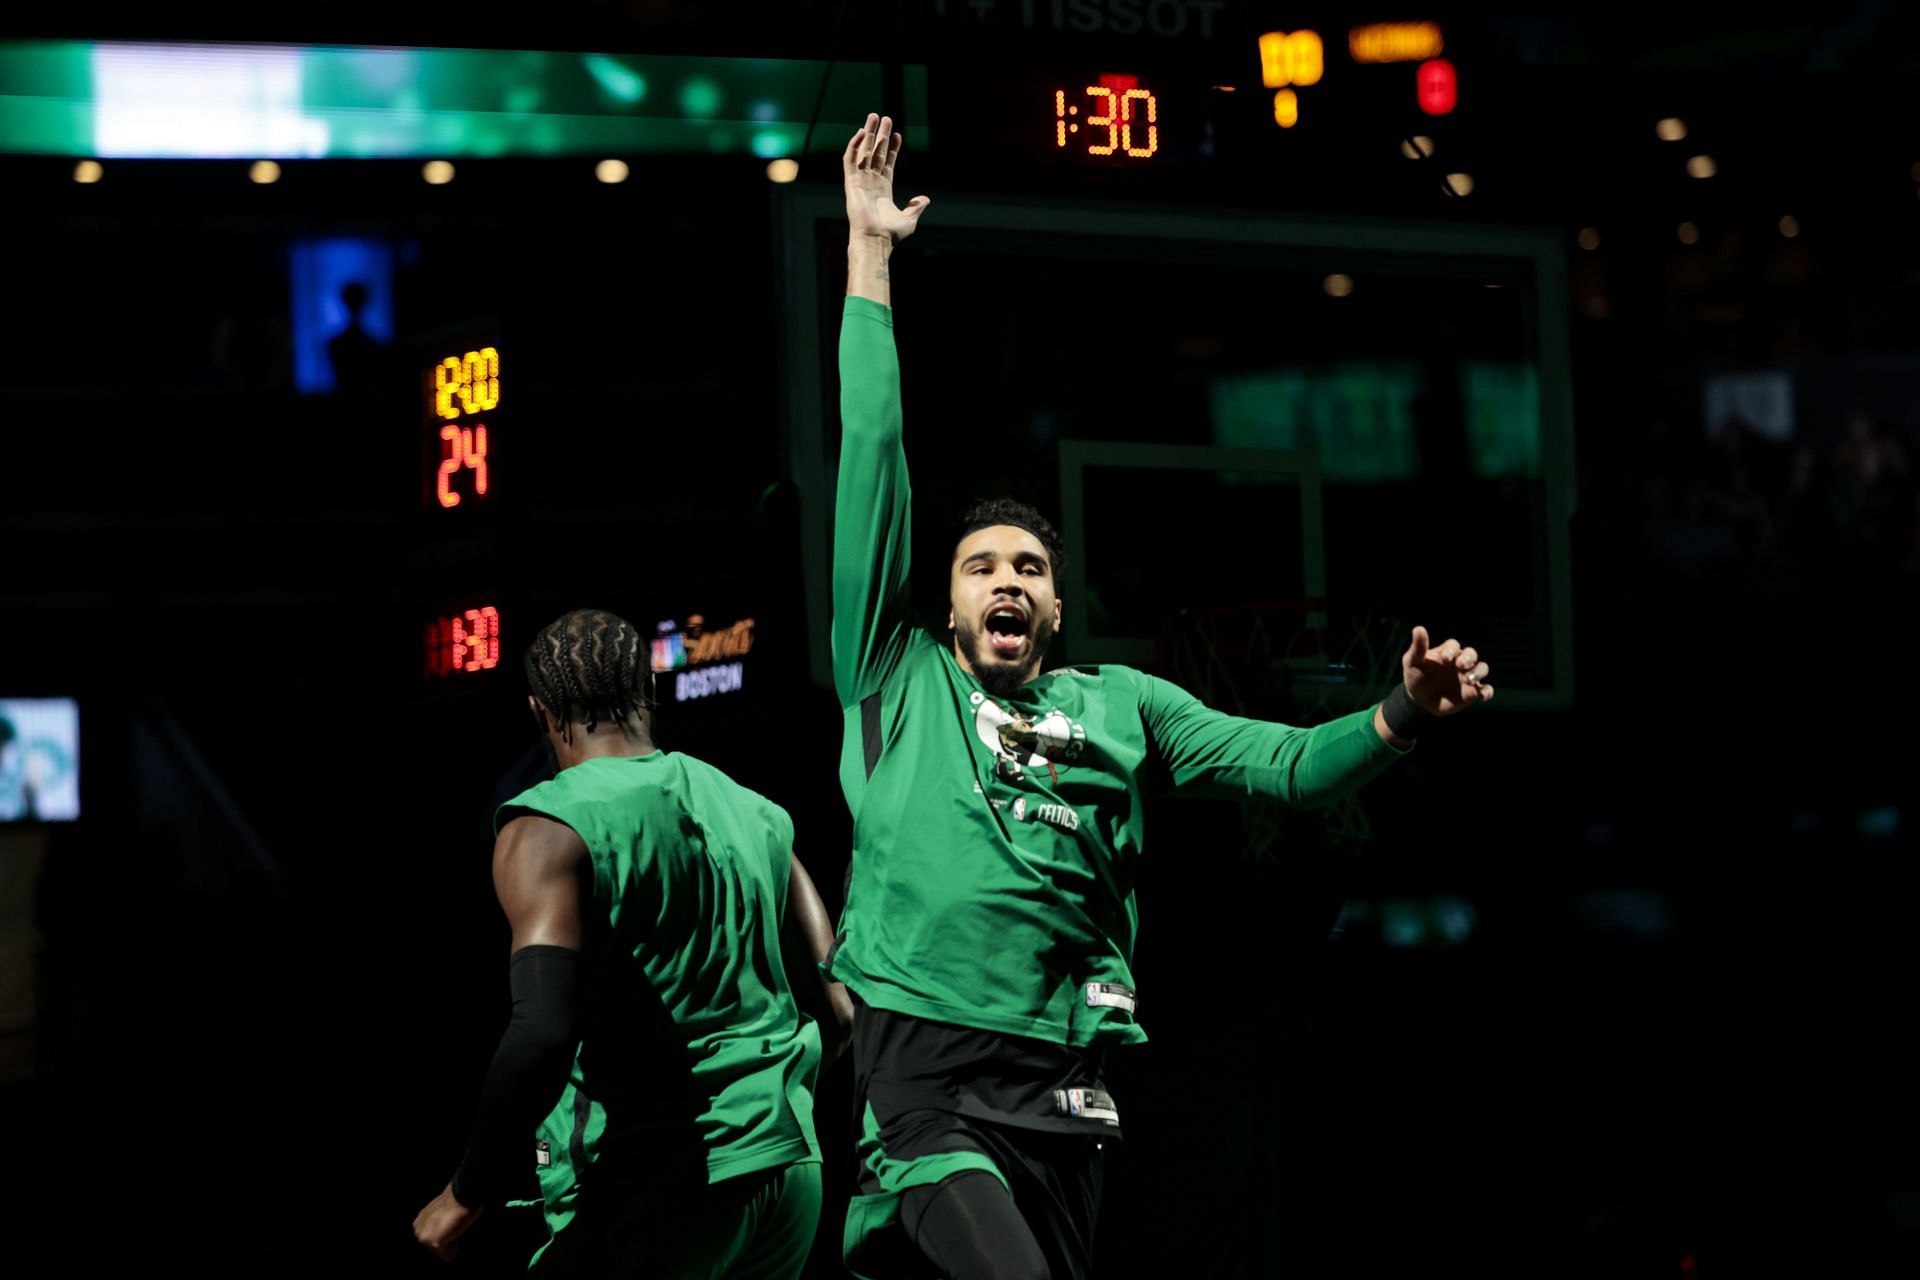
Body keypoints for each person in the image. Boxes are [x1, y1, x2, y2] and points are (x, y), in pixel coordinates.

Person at [830, 113, 1495, 1279]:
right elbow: (872, 456)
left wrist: (1401, 714)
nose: (1006, 579)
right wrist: (870, 257)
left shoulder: (1124, 702)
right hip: (924, 1067)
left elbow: (1289, 765)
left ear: (1055, 608)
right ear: (943, 608)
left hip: (1069, 1082)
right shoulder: (897, 678)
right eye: (980, 565)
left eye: (1029, 568)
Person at [413, 607, 852, 1277]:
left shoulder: (549, 827)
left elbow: (542, 1032)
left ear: (539, 711)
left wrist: (463, 1193)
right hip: (789, 1179)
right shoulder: (759, 814)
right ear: (649, 689)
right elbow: (839, 1008)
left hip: (661, 1185)